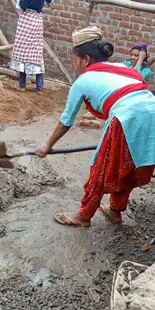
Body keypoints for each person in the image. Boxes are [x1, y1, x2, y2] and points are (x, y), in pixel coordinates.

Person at [36, 25, 155, 227]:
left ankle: (84, 215)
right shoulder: (124, 68)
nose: (75, 67)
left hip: (126, 117)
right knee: (129, 164)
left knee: (101, 167)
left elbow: (65, 122)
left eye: (75, 61)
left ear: (86, 59)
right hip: (152, 111)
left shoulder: (83, 81)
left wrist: (46, 146)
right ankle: (115, 210)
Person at [10, 0, 54, 94]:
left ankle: (22, 86)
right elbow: (49, 1)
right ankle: (39, 88)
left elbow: (22, 5)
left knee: (22, 53)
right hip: (37, 21)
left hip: (26, 21)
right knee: (37, 53)